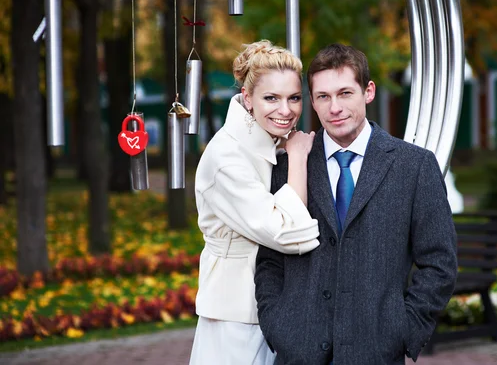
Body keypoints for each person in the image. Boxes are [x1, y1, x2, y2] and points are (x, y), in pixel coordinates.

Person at [255, 43, 458, 364]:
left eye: (345, 93)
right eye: (323, 96)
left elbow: (439, 261)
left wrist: (404, 330)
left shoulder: (413, 166)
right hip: (298, 351)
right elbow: (269, 258)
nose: (334, 107)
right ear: (313, 101)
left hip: (377, 351)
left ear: (369, 91)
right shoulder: (289, 166)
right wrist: (278, 324)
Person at [188, 40, 320, 365]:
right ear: (248, 98)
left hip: (270, 305)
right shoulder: (227, 157)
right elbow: (289, 234)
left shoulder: (267, 141)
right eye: (271, 98)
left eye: (293, 98)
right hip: (236, 312)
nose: (286, 110)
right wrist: (299, 156)